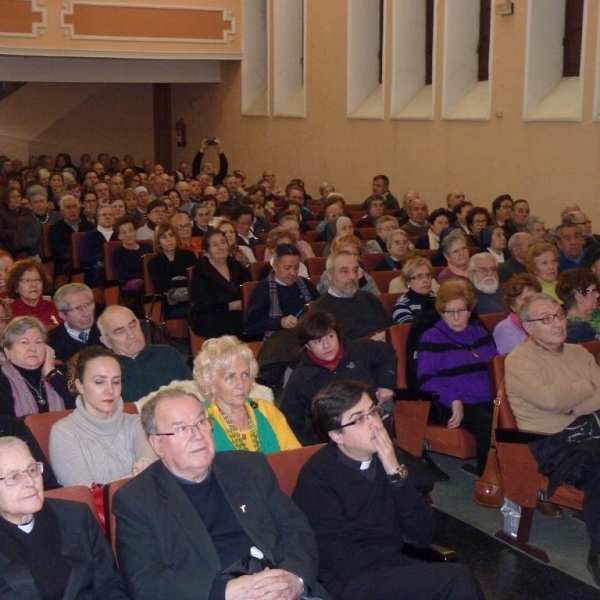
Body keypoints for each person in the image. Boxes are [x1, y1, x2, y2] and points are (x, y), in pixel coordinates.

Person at [112, 387, 327, 600]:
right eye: (181, 429)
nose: (197, 435)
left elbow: (296, 528)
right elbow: (146, 582)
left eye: (201, 422)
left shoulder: (248, 467)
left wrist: (295, 580)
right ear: (157, 444)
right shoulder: (137, 500)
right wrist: (225, 592)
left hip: (284, 589)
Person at [292, 379, 485, 600]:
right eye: (358, 420)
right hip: (349, 581)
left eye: (373, 412)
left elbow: (423, 534)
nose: (374, 423)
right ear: (337, 436)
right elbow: (338, 558)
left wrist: (395, 473)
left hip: (392, 566)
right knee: (456, 579)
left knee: (454, 579)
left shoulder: (388, 456)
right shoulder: (317, 478)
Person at [506, 293, 600, 583]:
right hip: (550, 445)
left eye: (558, 315)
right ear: (528, 327)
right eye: (546, 319)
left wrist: (573, 404)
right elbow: (550, 399)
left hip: (589, 433)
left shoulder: (579, 352)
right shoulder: (519, 360)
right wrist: (585, 388)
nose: (557, 323)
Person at [0, 437, 129, 598]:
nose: (30, 482)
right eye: (14, 477)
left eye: (32, 470)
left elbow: (110, 584)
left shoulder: (76, 517)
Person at [416, 279, 498, 475]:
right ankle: (489, 478)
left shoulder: (479, 333)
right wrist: (454, 400)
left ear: (470, 310)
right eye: (449, 312)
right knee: (487, 425)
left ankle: (519, 477)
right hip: (451, 401)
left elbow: (497, 368)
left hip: (489, 398)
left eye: (461, 310)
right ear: (441, 312)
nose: (456, 317)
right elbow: (426, 378)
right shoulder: (432, 336)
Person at [281, 310, 396, 445]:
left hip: (373, 427)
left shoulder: (359, 350)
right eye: (318, 341)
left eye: (330, 336)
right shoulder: (301, 377)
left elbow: (388, 353)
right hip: (332, 441)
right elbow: (290, 420)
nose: (327, 345)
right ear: (307, 346)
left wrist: (385, 384)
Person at [49, 346, 156, 487]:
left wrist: (147, 466)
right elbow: (85, 492)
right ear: (80, 386)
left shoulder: (135, 422)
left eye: (116, 382)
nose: (110, 390)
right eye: (99, 382)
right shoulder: (63, 432)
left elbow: (152, 466)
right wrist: (139, 478)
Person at [193, 336, 299, 452]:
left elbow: (294, 457)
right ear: (211, 381)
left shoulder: (265, 410)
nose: (241, 384)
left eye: (245, 375)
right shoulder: (200, 421)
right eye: (230, 377)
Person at [98, 306, 191, 403]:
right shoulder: (104, 371)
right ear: (106, 341)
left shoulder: (168, 355)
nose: (131, 334)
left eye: (133, 325)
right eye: (120, 331)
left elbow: (194, 393)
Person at [0, 316, 73, 417]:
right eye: (24, 342)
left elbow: (81, 406)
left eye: (38, 342)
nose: (33, 348)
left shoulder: (62, 373)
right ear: (7, 351)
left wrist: (52, 374)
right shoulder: (2, 380)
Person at [313, 251, 392, 341]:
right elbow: (332, 347)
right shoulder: (320, 309)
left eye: (355, 270)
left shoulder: (369, 298)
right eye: (344, 271)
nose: (352, 276)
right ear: (330, 275)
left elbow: (391, 327)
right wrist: (369, 343)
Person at [190, 230, 251, 339]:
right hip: (211, 315)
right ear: (206, 251)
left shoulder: (236, 265)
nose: (221, 247)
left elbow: (249, 290)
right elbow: (202, 303)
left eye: (223, 242)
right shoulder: (200, 271)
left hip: (240, 313)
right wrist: (230, 306)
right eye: (215, 245)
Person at [148, 222, 197, 319]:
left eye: (171, 235)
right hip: (170, 303)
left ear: (176, 238)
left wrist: (174, 282)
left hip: (192, 298)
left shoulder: (189, 255)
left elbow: (196, 279)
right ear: (158, 242)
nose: (168, 240)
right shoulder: (154, 262)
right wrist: (183, 281)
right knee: (192, 312)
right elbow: (161, 285)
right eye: (163, 237)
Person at [48, 283, 102, 364]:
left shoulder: (106, 331)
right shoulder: (50, 341)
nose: (86, 313)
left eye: (88, 304)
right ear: (63, 315)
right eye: (76, 308)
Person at [493, 273, 541, 354]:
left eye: (534, 298)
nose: (530, 303)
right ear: (512, 306)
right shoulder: (504, 330)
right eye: (523, 299)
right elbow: (514, 361)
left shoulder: (546, 322)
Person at [5, 259, 60, 328]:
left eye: (37, 279)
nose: (34, 284)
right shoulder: (8, 312)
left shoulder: (55, 307)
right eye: (27, 281)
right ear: (15, 286)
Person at [556, 268, 600, 343]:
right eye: (593, 290)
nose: (597, 295)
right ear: (578, 296)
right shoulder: (575, 332)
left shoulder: (597, 313)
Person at [392, 257, 436, 324]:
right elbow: (411, 330)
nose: (426, 280)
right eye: (419, 277)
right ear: (408, 281)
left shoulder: (439, 299)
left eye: (428, 275)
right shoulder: (402, 305)